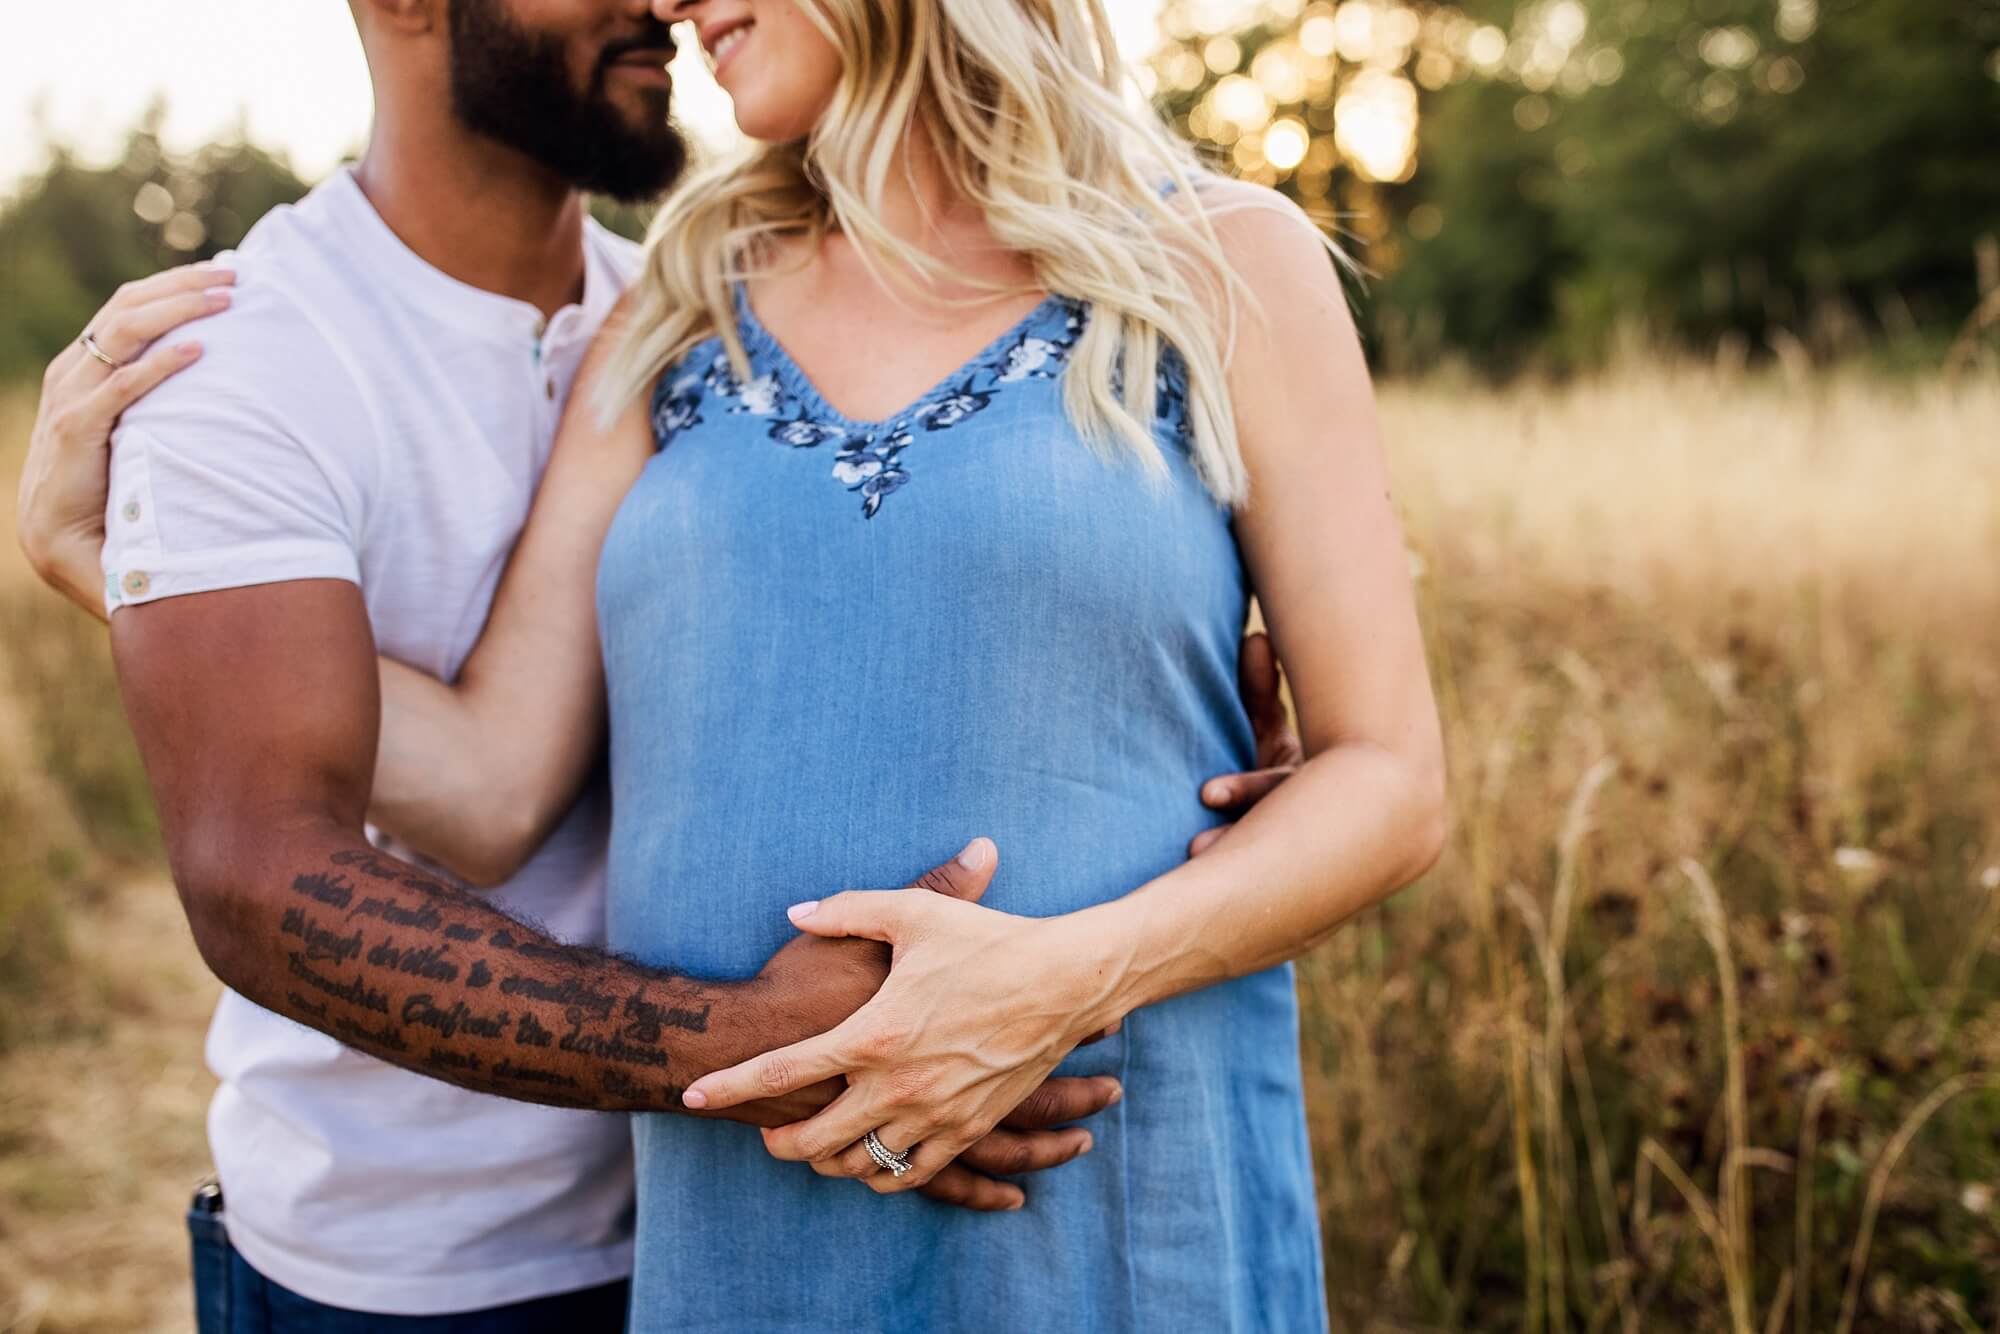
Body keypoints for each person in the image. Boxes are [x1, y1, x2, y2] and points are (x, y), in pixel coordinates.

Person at [46, 0, 1434, 1327]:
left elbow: (1391, 778)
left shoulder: (1225, 260)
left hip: (1103, 1177)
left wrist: (1057, 979)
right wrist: (138, 581)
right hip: (749, 1213)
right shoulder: (677, 311)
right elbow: (484, 785)